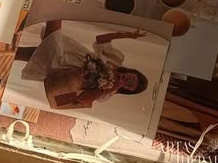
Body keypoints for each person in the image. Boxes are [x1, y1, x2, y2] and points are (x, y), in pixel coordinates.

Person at [17, 21, 149, 111]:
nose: (128, 80)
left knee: (52, 22)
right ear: (132, 71)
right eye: (133, 77)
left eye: (130, 84)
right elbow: (100, 40)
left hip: (58, 69)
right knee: (20, 51)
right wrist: (125, 35)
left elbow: (82, 99)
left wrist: (110, 87)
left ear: (126, 90)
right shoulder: (116, 59)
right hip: (68, 52)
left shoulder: (107, 95)